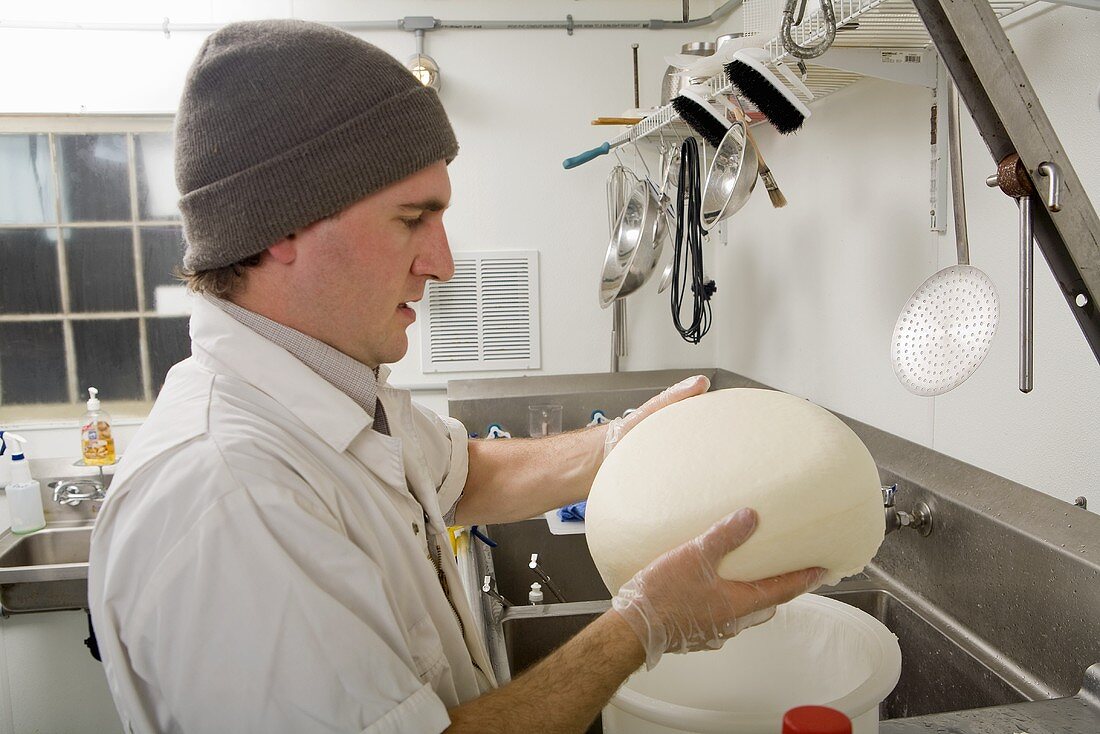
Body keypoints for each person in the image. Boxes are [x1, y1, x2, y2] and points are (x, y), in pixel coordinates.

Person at [88, 19, 824, 734]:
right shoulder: (230, 496)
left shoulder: (332, 388)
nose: (441, 263)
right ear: (283, 228)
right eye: (413, 219)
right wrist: (642, 626)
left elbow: (462, 476)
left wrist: (618, 444)